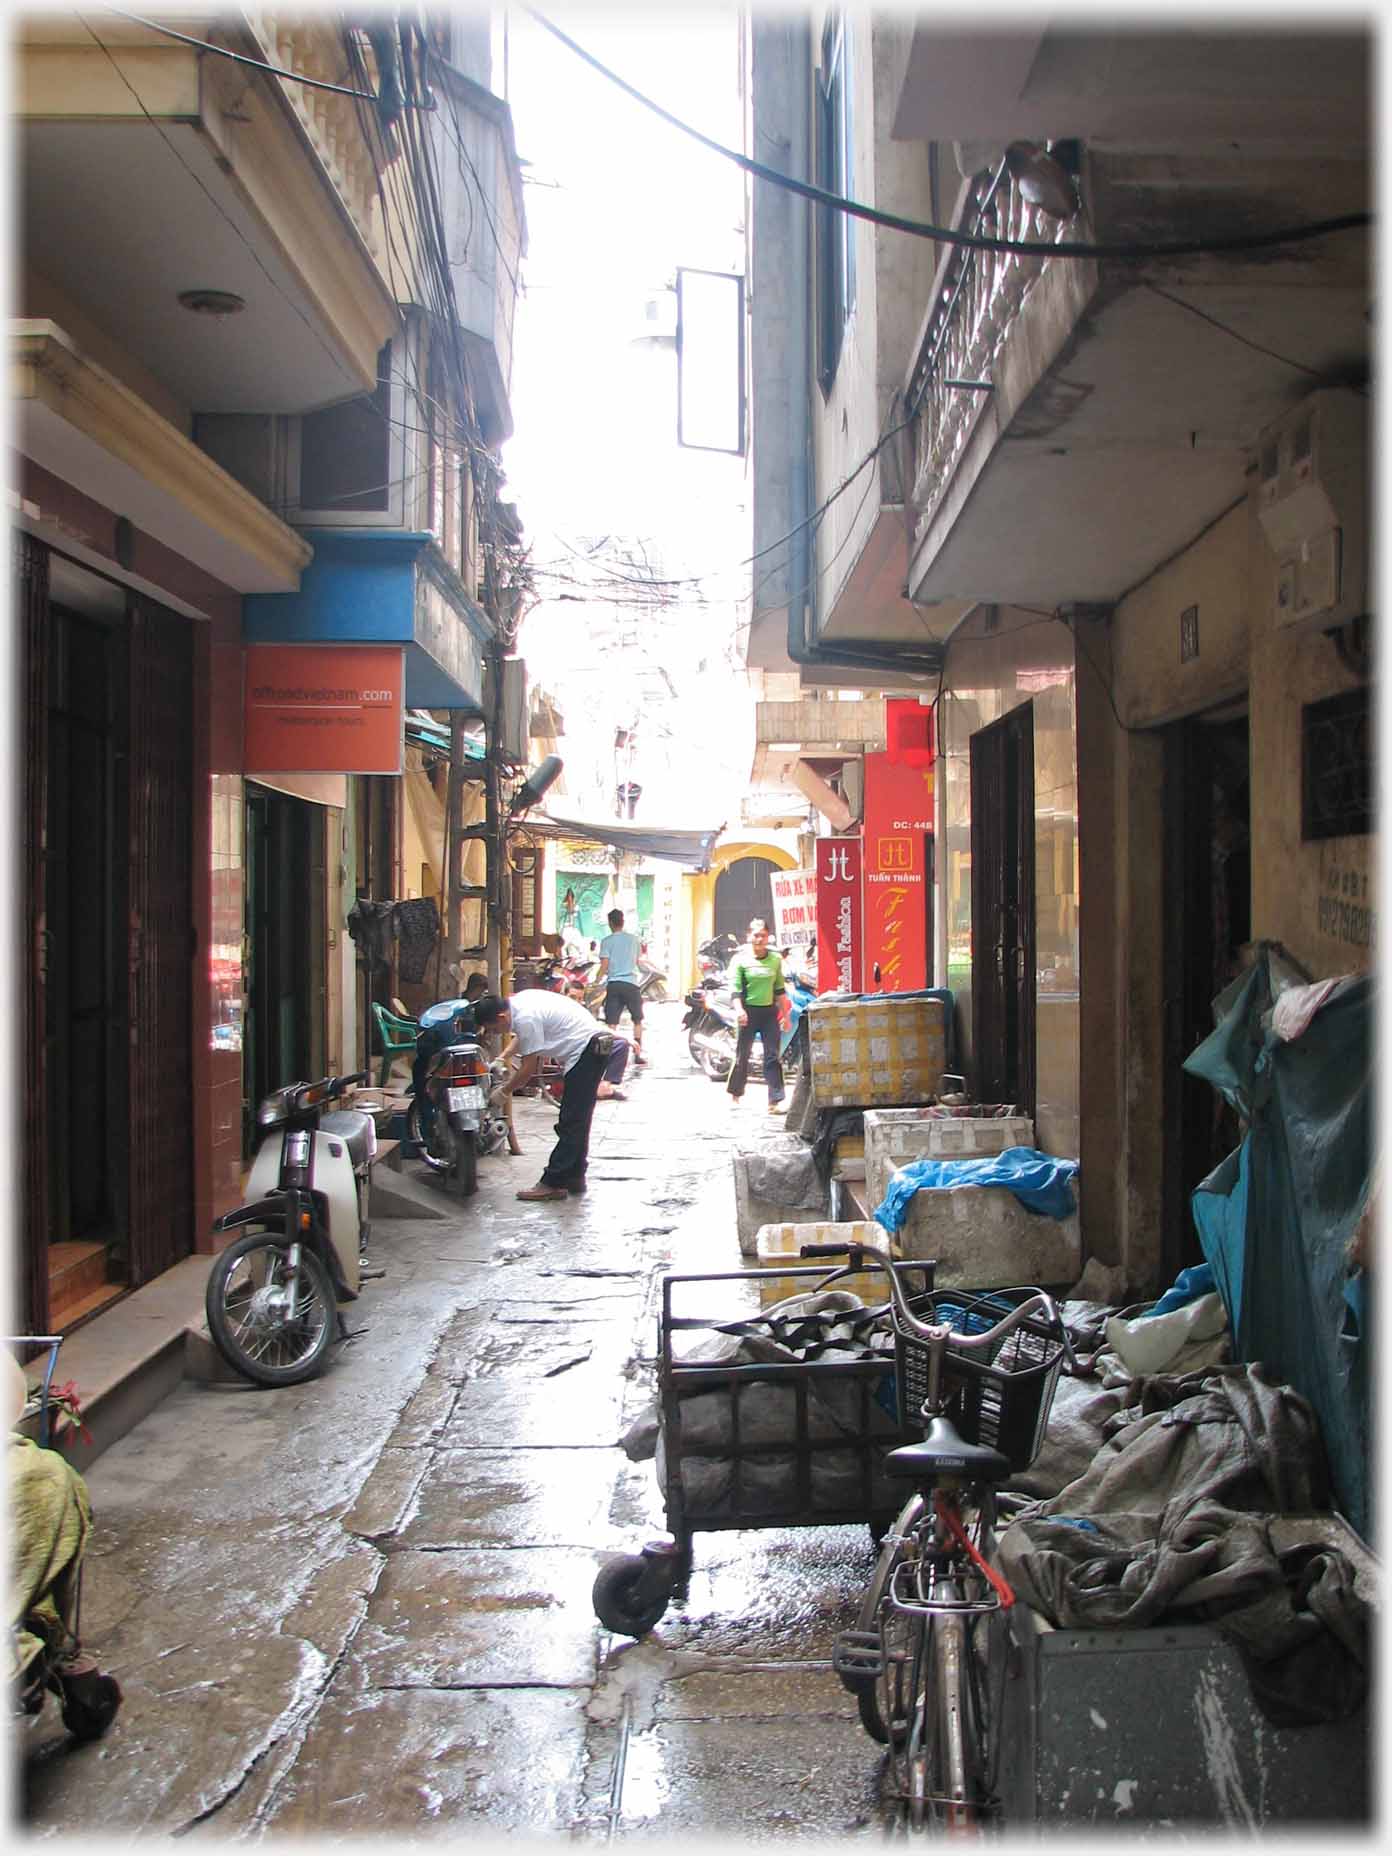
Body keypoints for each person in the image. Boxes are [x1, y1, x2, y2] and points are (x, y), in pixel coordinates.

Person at [473, 991, 630, 1201]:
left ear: (502, 1017)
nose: (496, 1033)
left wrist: (504, 1092)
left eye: (494, 1029)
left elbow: (527, 1069)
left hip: (585, 1051)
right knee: (578, 1119)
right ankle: (575, 1176)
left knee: (571, 1122)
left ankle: (553, 1182)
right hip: (590, 1046)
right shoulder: (519, 1004)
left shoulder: (525, 1016)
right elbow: (525, 1037)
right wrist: (503, 1058)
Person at [726, 917, 787, 1114]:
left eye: (763, 935)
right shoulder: (740, 960)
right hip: (748, 1012)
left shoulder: (775, 960)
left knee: (772, 1057)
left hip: (769, 1013)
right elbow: (735, 990)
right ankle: (735, 1095)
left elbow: (779, 989)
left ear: (768, 936)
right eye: (755, 935)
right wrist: (739, 1010)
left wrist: (785, 1015)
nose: (759, 939)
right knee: (742, 1055)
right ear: (748, 936)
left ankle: (775, 1101)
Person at [596, 907, 646, 1065]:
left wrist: (596, 981)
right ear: (622, 922)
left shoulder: (606, 941)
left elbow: (604, 965)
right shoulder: (634, 940)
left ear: (610, 923)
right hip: (631, 983)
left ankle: (611, 1055)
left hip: (614, 984)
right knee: (637, 1020)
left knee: (612, 1022)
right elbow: (637, 960)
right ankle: (637, 1054)